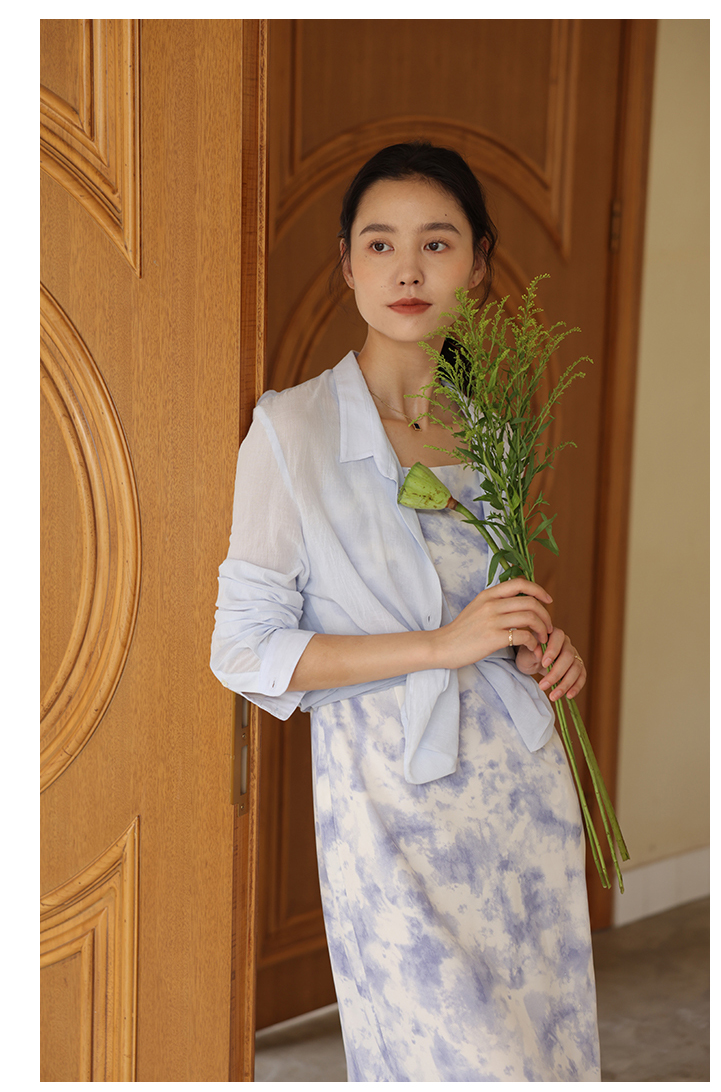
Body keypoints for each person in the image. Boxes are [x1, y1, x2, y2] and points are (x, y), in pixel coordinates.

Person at [211, 141, 600, 1082]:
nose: (408, 270)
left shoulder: (494, 422)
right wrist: (441, 646)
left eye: (437, 242)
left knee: (541, 1057)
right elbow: (244, 649)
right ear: (347, 266)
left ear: (479, 261)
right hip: (389, 807)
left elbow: (489, 606)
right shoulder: (291, 431)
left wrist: (540, 649)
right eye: (380, 245)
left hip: (522, 791)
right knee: (446, 1060)